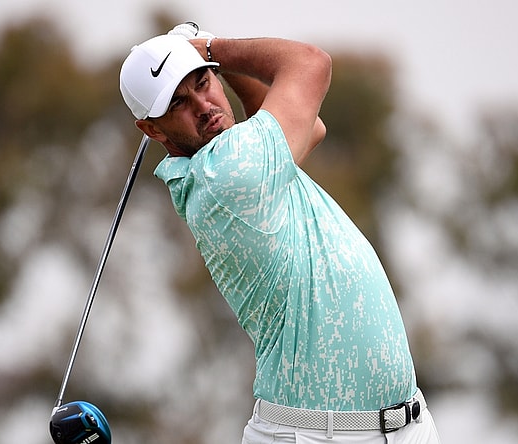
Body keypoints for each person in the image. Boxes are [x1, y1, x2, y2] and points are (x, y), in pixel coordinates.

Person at [119, 22, 441, 443]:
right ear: (153, 130)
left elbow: (313, 128)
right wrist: (211, 46)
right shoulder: (228, 172)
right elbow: (310, 62)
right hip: (315, 435)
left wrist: (213, 63)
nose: (204, 105)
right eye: (179, 103)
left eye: (204, 82)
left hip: (404, 427)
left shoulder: (241, 163)